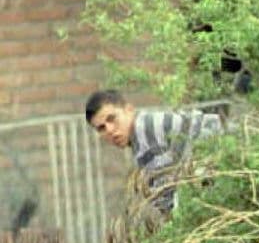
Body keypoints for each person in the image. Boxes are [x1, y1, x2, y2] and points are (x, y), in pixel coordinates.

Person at [85, 88, 223, 214]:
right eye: (101, 128)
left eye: (112, 119)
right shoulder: (140, 136)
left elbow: (165, 194)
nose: (109, 130)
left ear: (129, 110)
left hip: (222, 153)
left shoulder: (145, 129)